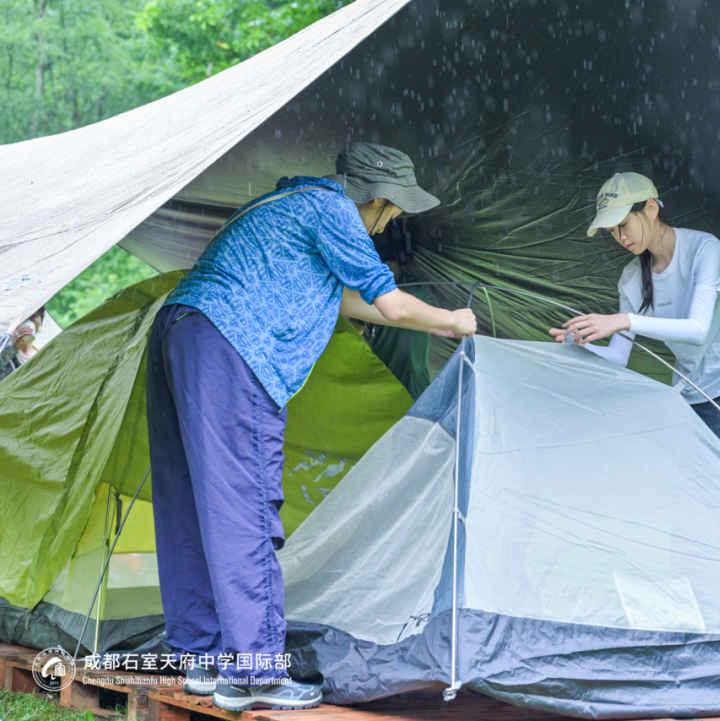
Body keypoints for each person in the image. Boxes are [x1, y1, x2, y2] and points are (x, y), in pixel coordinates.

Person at [146, 143, 476, 713]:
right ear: (377, 198)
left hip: (183, 328)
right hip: (233, 344)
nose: (387, 225)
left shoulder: (287, 203)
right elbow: (393, 306)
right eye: (392, 212)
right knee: (245, 507)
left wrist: (431, 326)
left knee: (194, 504)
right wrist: (454, 318)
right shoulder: (334, 210)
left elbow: (346, 300)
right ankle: (254, 674)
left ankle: (203, 655)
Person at [549, 172, 720, 482]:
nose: (620, 237)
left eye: (623, 225)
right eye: (612, 231)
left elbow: (697, 330)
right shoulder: (631, 279)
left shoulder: (705, 249)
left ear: (651, 209)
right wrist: (580, 347)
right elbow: (618, 357)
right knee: (698, 496)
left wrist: (624, 320)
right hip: (690, 395)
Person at [0, 307, 45, 382]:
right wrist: (11, 346)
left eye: (33, 316)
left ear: (41, 320)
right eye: (23, 317)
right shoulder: (1, 343)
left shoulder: (43, 356)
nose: (27, 320)